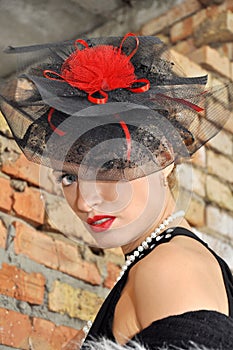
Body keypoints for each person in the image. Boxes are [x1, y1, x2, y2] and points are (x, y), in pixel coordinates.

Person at [0, 33, 233, 350]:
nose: (84, 202)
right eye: (68, 178)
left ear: (164, 158)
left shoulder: (170, 268)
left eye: (107, 169)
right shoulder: (154, 261)